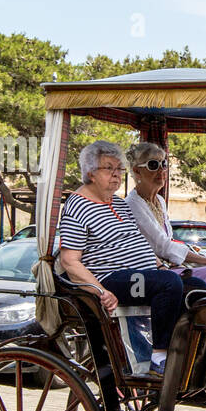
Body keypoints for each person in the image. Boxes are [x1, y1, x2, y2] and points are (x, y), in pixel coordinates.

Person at [56, 140, 185, 375]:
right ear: (90, 173)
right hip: (111, 279)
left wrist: (161, 265)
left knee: (193, 285)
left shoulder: (117, 202)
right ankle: (159, 357)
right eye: (109, 168)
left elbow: (135, 242)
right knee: (169, 285)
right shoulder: (78, 205)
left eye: (119, 169)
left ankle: (184, 351)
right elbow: (70, 261)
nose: (116, 175)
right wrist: (101, 291)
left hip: (139, 275)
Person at [123, 142, 206, 287]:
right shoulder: (133, 203)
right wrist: (203, 259)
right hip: (149, 270)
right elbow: (161, 245)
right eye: (153, 165)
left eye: (164, 164)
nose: (161, 170)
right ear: (137, 171)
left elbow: (169, 241)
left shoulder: (159, 201)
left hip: (169, 265)